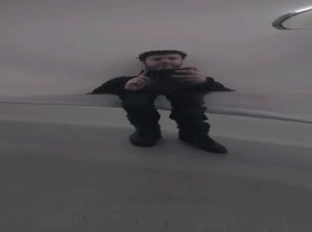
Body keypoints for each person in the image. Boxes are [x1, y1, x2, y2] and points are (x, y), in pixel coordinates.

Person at [91, 50, 230, 154]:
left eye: (172, 58)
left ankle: (194, 134)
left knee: (189, 100)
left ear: (182, 60)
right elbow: (95, 95)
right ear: (144, 62)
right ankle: (146, 132)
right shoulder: (127, 80)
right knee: (136, 100)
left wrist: (205, 82)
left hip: (191, 108)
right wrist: (126, 88)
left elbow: (228, 95)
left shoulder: (193, 79)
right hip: (143, 119)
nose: (165, 61)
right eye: (157, 58)